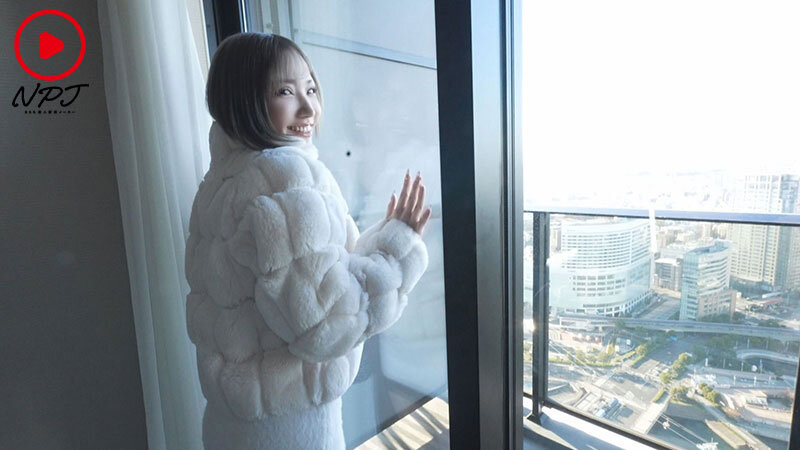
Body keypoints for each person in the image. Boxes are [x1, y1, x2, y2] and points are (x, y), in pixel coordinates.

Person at [185, 32, 432, 449]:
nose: (308, 108)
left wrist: (378, 238)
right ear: (244, 100)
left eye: (311, 89)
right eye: (285, 91)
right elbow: (325, 324)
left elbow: (301, 281)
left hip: (232, 423)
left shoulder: (222, 180)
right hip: (288, 430)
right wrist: (397, 250)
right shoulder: (285, 184)